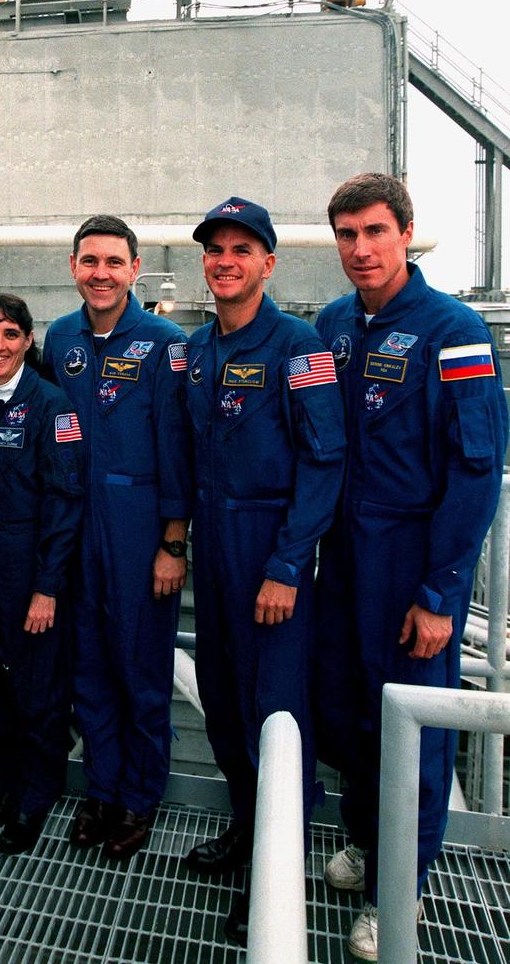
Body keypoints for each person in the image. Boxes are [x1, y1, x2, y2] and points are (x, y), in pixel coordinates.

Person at [314, 173, 507, 962]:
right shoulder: (332, 325)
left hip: (411, 564)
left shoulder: (452, 330)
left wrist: (439, 593)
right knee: (348, 713)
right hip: (342, 560)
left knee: (413, 732)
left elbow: (476, 470)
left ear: (404, 232)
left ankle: (399, 891)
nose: (360, 249)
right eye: (347, 234)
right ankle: (367, 841)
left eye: (374, 232)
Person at [180, 197, 346, 944]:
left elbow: (324, 459)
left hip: (268, 548)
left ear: (267, 264)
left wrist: (286, 563)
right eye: (215, 250)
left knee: (275, 713)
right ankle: (249, 831)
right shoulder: (198, 350)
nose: (225, 262)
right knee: (222, 702)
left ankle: (277, 871)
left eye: (241, 250)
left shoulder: (298, 347)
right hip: (214, 547)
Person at [42, 215, 192, 860]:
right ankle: (100, 791)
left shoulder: (164, 343)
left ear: (135, 269)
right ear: (74, 266)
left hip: (138, 528)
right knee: (89, 670)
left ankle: (138, 798)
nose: (100, 274)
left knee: (141, 672)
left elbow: (178, 447)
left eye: (113, 262)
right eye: (89, 261)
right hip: (76, 526)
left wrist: (172, 542)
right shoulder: (59, 338)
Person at [0, 294, 84, 854]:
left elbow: (65, 501)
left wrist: (47, 588)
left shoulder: (53, 406)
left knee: (38, 693)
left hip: (33, 575)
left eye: (10, 334)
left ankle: (35, 796)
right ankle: (7, 784)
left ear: (28, 340)